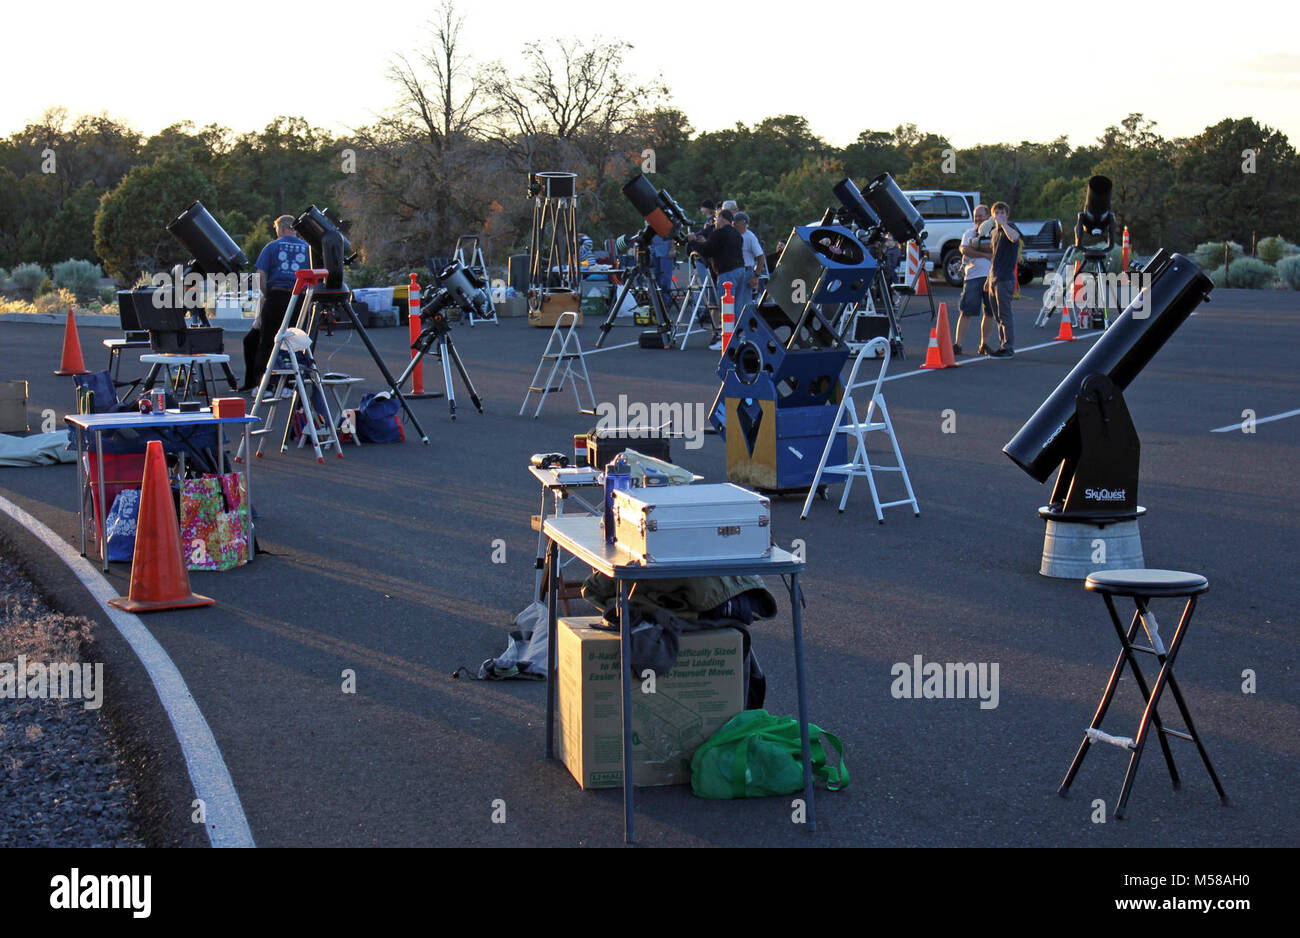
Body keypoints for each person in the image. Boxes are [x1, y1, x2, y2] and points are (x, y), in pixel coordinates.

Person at [242, 215, 309, 390]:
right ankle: (289, 384)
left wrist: (268, 294)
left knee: (268, 340)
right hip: (299, 298)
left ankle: (263, 384)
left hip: (277, 296)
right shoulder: (307, 249)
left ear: (280, 228)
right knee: (294, 342)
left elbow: (260, 276)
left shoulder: (272, 247)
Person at [693, 209, 745, 352]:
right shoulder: (736, 233)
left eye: (716, 218)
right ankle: (739, 337)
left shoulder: (719, 233)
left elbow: (708, 250)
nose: (715, 221)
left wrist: (694, 243)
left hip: (727, 272)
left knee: (726, 307)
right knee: (738, 306)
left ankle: (727, 340)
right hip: (740, 270)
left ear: (722, 218)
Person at [953, 204, 994, 355]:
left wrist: (976, 248)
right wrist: (985, 253)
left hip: (991, 276)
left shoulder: (994, 232)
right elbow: (964, 249)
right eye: (976, 216)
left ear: (988, 217)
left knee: (990, 312)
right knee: (966, 311)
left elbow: (994, 248)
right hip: (973, 276)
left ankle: (984, 344)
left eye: (981, 216)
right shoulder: (969, 233)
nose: (978, 219)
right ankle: (958, 344)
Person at [986, 201, 1020, 357]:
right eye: (996, 213)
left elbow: (1014, 238)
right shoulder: (994, 233)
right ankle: (1003, 343)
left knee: (1005, 313)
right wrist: (988, 279)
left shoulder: (1010, 229)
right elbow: (995, 257)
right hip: (995, 277)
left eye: (1002, 212)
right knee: (997, 314)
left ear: (1007, 215)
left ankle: (1008, 346)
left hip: (1005, 278)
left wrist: (1004, 224)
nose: (999, 215)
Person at [733, 212, 766, 314]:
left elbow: (760, 256)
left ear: (743, 223)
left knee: (744, 302)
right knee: (733, 301)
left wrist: (756, 275)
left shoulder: (750, 237)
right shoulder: (732, 234)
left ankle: (745, 325)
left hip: (746, 271)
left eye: (735, 223)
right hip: (733, 270)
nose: (733, 225)